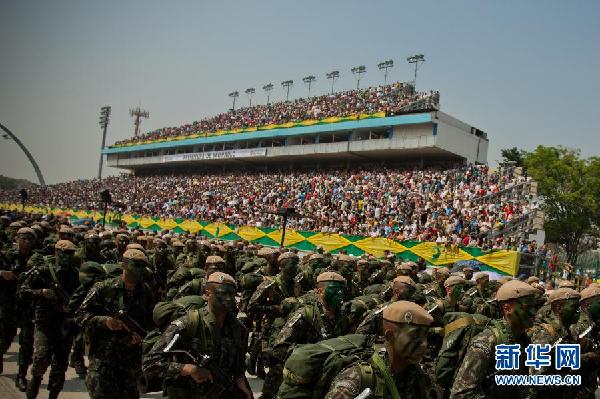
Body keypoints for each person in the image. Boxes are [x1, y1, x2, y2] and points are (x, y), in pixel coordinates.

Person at [142, 272, 252, 399]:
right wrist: (186, 369)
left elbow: (239, 362)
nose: (227, 298)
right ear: (206, 294)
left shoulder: (238, 329)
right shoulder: (188, 324)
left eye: (231, 294)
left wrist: (240, 379)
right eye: (221, 293)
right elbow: (150, 363)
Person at [76, 248, 156, 399]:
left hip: (130, 360)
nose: (140, 270)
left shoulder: (146, 292)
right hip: (103, 357)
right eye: (136, 265)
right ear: (124, 265)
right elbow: (80, 316)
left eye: (142, 266)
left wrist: (143, 337)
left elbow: (150, 323)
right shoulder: (103, 288)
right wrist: (104, 321)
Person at [324, 301, 435, 399]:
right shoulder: (358, 379)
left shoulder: (417, 375)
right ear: (389, 336)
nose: (424, 344)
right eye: (415, 336)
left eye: (426, 336)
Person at [450, 280, 539, 399]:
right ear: (507, 309)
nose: (534, 312)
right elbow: (460, 395)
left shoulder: (524, 339)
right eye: (528, 307)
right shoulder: (487, 342)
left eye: (535, 307)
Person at [20, 239, 80, 399]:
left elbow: (81, 298)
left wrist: (71, 308)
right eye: (64, 253)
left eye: (70, 253)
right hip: (44, 319)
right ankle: (35, 381)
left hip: (65, 322)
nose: (67, 256)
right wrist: (42, 292)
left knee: (60, 364)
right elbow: (23, 290)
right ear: (56, 252)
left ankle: (53, 394)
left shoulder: (76, 274)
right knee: (41, 355)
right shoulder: (43, 270)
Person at [0, 227, 37, 391]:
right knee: (4, 337)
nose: (27, 242)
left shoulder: (37, 258)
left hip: (27, 306)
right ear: (17, 239)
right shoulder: (6, 254)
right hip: (8, 303)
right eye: (24, 238)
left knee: (27, 343)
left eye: (30, 239)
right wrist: (2, 273)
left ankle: (21, 375)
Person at [528, 288, 581, 399]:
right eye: (574, 307)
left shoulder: (571, 330)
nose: (578, 311)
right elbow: (537, 380)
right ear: (559, 308)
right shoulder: (544, 334)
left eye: (579, 307)